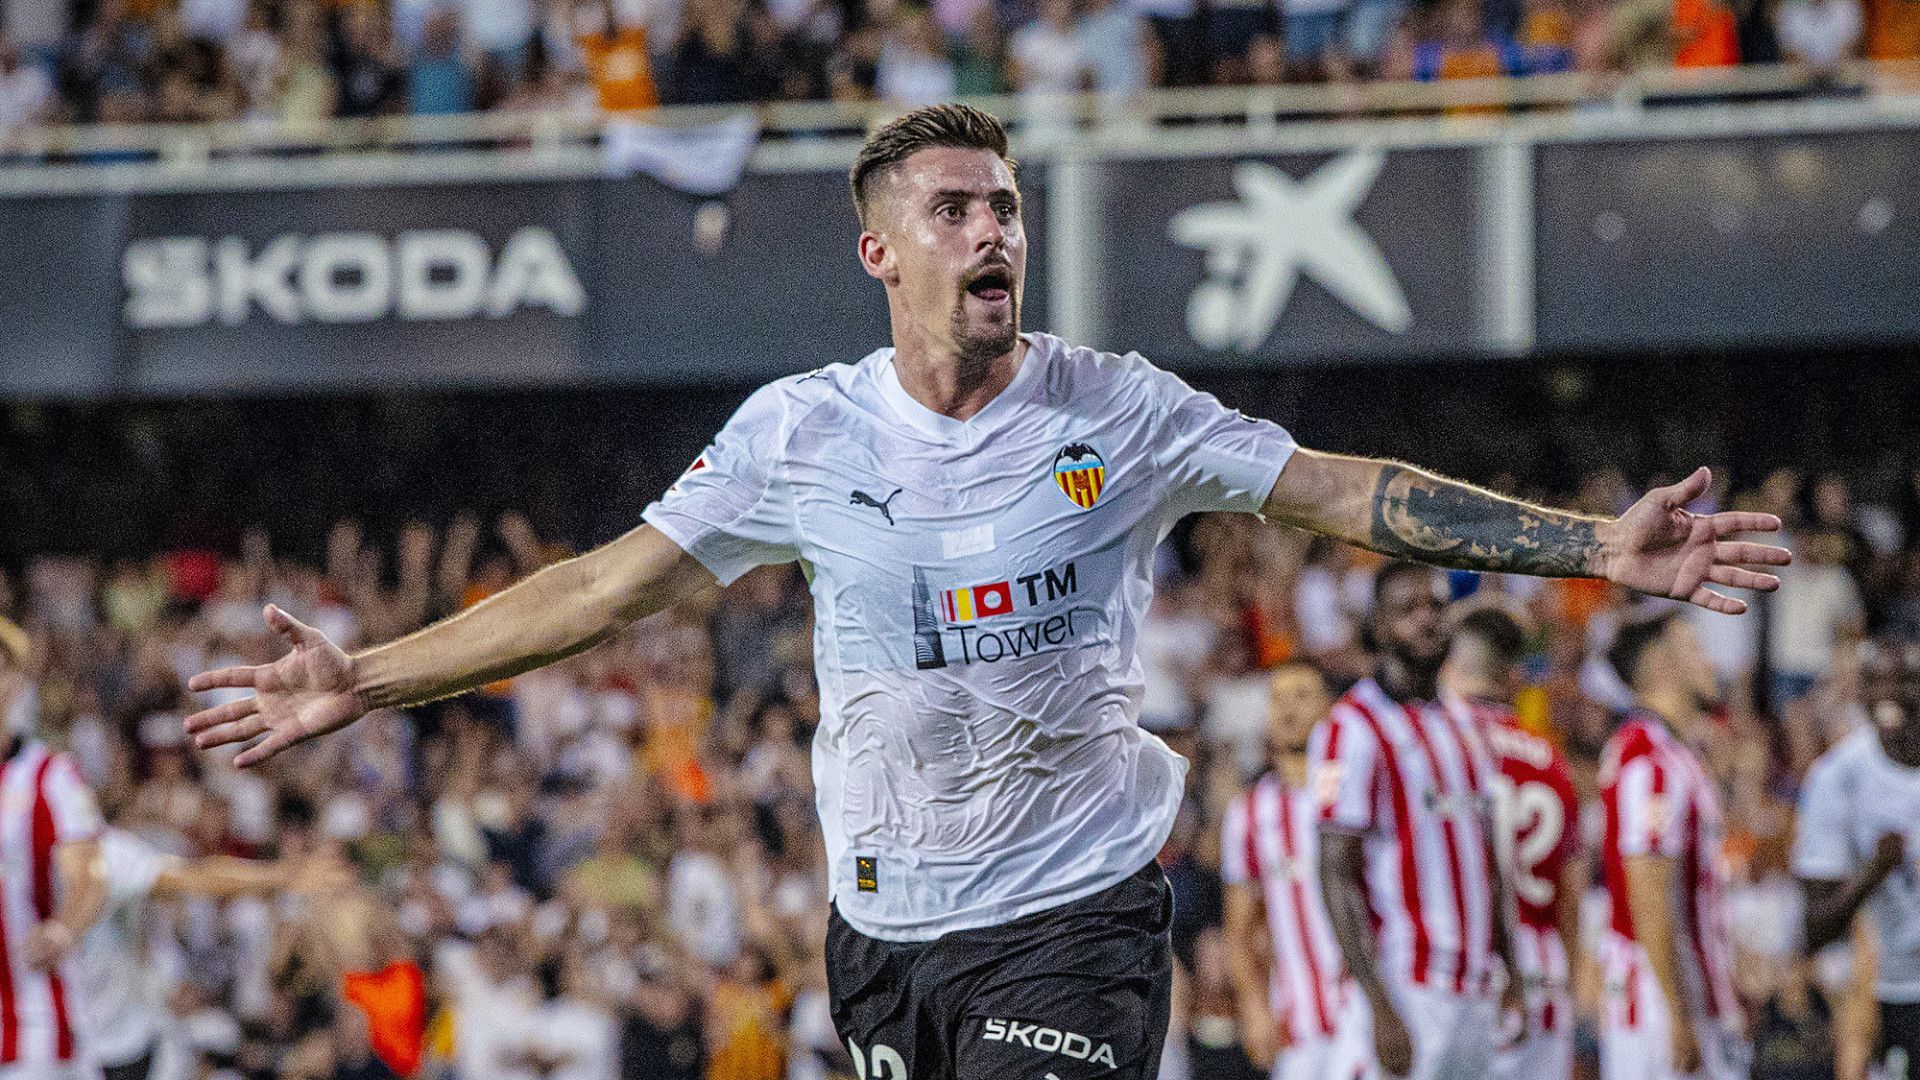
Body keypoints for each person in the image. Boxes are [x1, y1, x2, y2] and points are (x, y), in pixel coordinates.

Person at [184, 104, 1788, 1080]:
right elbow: (601, 590)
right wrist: (371, 676)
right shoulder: (800, 433)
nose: (990, 232)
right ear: (882, 253)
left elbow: (1340, 493)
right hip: (883, 930)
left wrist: (1591, 546)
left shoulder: (1121, 410)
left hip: (1077, 914)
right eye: (952, 212)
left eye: (1003, 206)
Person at [1312, 563, 1526, 1080]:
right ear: (1379, 627)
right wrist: (1379, 1006)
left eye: (1436, 605)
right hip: (1407, 987)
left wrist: (1512, 965)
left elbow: (1485, 858)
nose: (1428, 620)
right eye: (1408, 610)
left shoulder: (1465, 724)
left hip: (1475, 987)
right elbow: (1335, 870)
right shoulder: (1354, 725)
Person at [67, 826, 347, 1080]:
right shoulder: (23, 868)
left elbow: (196, 876)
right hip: (46, 1040)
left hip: (122, 1046)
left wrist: (278, 874)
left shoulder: (110, 853)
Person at [1598, 612, 1749, 1080]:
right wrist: (1676, 1013)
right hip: (1659, 1003)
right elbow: (1646, 889)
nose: (1710, 662)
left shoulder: (1673, 753)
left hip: (1686, 993)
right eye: (1696, 649)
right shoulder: (1649, 758)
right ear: (1664, 663)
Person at [1442, 605, 1583, 1080]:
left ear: (1451, 664)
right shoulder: (1548, 756)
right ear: (1512, 674)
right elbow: (1572, 882)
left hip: (1471, 964)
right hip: (1545, 966)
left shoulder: (1443, 743)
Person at [1793, 639, 1920, 1079]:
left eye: (1908, 683)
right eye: (1879, 684)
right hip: (1893, 991)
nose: (1894, 697)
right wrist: (1875, 872)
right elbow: (1813, 930)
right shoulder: (1838, 777)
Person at [1223, 660, 1346, 1080]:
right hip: (1299, 1030)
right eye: (1277, 698)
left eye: (1302, 695)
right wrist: (1255, 1009)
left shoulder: (1351, 792)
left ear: (1330, 709)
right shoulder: (1251, 812)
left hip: (1366, 1015)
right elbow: (1240, 930)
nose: (1287, 709)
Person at [0, 618, 105, 1080]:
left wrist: (63, 930)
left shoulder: (51, 775)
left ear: (15, 683)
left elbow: (88, 875)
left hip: (37, 1027)